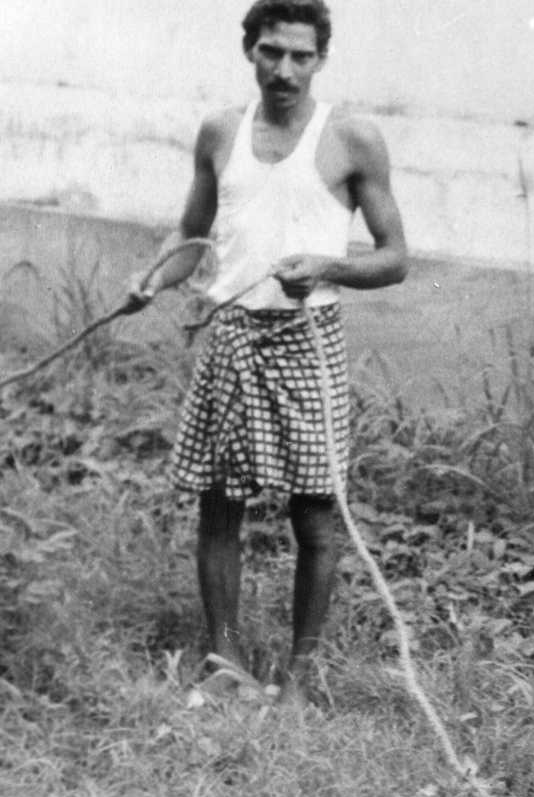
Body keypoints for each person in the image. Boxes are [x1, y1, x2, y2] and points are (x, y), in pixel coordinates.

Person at [126, 0, 408, 705]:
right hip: (232, 338)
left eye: (300, 56)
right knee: (219, 506)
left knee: (315, 515)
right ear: (249, 50)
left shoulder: (351, 138)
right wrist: (149, 281)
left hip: (307, 341)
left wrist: (327, 266)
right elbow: (190, 236)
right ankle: (224, 662)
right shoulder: (221, 132)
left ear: (320, 59)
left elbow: (396, 258)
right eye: (271, 52)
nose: (284, 70)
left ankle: (300, 678)